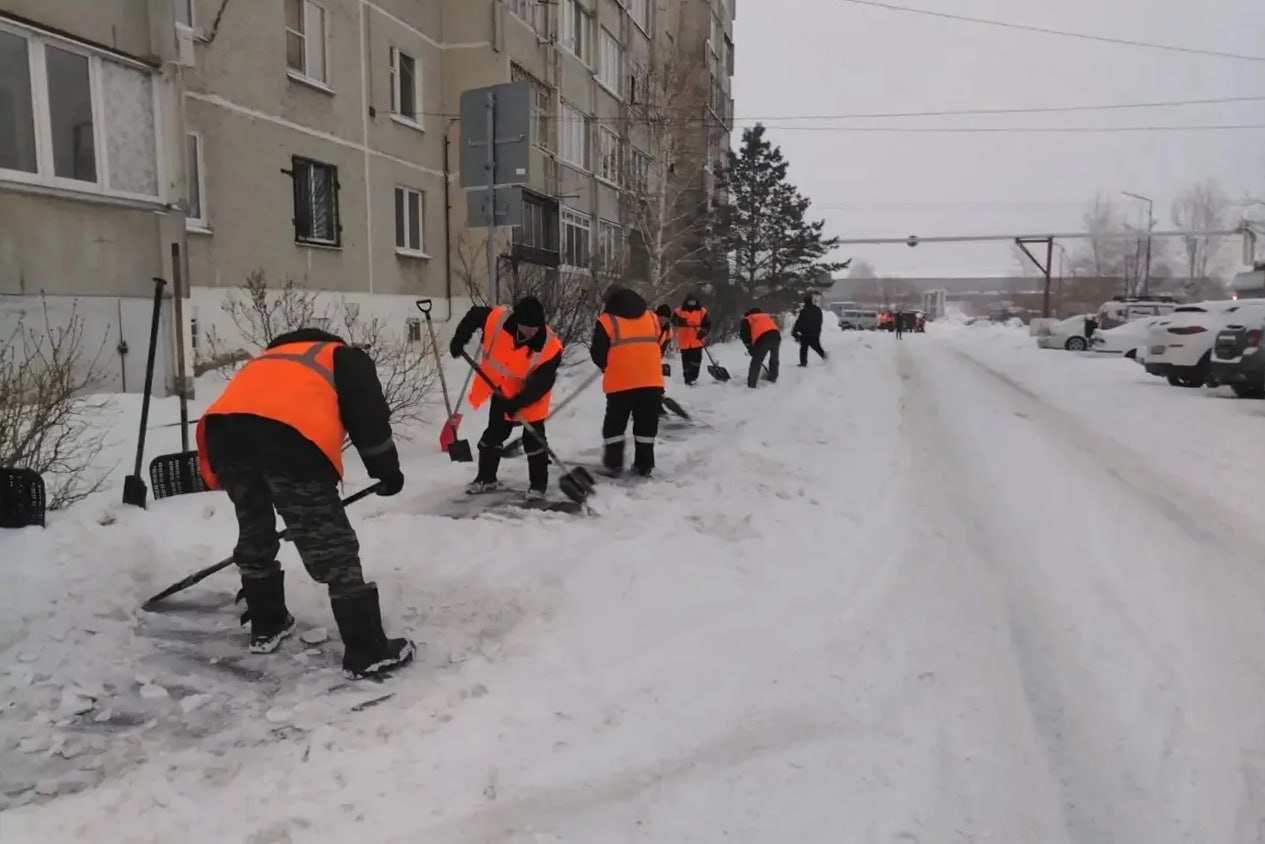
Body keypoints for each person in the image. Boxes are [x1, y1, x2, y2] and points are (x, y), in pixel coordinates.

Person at [196, 328, 413, 680]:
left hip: (226, 441)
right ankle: (367, 649)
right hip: (290, 445)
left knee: (255, 531)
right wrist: (387, 471)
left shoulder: (266, 360)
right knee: (331, 543)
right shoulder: (341, 356)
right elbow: (369, 419)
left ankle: (266, 624)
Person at [449, 296, 563, 500]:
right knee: (492, 436)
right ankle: (486, 478)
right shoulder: (498, 320)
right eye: (527, 327)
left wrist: (520, 402)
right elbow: (475, 315)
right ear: (517, 321)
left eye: (535, 327)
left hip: (531, 397)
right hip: (501, 389)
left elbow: (542, 382)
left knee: (534, 441)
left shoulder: (550, 346)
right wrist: (460, 338)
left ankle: (538, 486)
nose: (531, 332)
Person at [590, 287, 666, 476]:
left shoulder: (607, 320)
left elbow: (598, 352)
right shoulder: (651, 317)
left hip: (620, 383)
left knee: (615, 424)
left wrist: (606, 364)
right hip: (651, 381)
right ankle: (644, 464)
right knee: (646, 425)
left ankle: (614, 463)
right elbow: (659, 341)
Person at [672, 294, 711, 385]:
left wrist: (703, 331)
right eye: (690, 302)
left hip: (697, 339)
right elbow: (673, 321)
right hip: (684, 340)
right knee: (686, 360)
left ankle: (694, 377)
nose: (691, 304)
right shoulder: (678, 311)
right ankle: (687, 377)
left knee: (696, 360)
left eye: (693, 302)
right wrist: (679, 321)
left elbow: (707, 324)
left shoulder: (702, 311)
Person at [740, 307, 781, 388]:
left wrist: (750, 348)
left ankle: (751, 384)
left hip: (763, 338)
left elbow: (744, 335)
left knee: (756, 361)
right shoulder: (765, 316)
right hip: (776, 336)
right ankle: (772, 378)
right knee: (774, 360)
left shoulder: (748, 319)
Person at [791, 294, 827, 367]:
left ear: (805, 302)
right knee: (817, 347)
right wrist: (817, 330)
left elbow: (799, 322)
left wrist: (794, 331)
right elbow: (820, 321)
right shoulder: (817, 310)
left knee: (804, 349)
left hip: (805, 333)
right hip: (815, 333)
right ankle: (827, 359)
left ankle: (803, 363)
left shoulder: (803, 311)